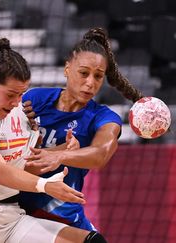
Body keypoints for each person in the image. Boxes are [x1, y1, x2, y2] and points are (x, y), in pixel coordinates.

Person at [0, 38, 107, 243]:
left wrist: (63, 150)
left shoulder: (20, 113)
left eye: (21, 94)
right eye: (11, 94)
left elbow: (24, 166)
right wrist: (45, 185)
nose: (17, 101)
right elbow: (1, 172)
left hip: (11, 218)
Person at [18, 27, 144, 231]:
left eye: (98, 76)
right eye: (84, 73)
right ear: (67, 69)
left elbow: (100, 154)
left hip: (61, 215)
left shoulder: (103, 117)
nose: (90, 83)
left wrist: (60, 156)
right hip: (15, 207)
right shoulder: (35, 99)